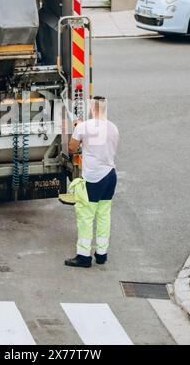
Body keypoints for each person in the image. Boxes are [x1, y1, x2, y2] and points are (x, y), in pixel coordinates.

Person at [65, 96, 119, 268]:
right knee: (104, 215)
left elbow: (72, 148)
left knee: (86, 217)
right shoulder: (113, 128)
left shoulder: (83, 126)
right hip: (110, 176)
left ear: (91, 108)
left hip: (94, 178)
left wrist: (79, 131)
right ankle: (102, 254)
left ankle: (83, 256)